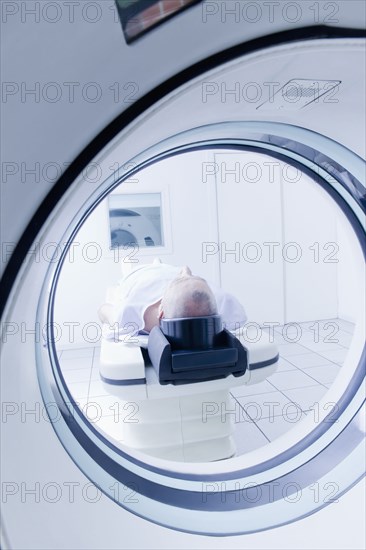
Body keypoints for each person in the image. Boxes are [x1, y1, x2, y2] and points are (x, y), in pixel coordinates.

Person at [98, 260, 247, 340]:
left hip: (152, 275)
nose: (187, 271)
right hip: (155, 272)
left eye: (187, 276)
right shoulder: (222, 302)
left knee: (116, 289)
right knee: (161, 266)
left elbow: (103, 310)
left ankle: (155, 264)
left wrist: (114, 302)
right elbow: (104, 310)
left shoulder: (128, 313)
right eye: (190, 276)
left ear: (161, 313)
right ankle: (154, 263)